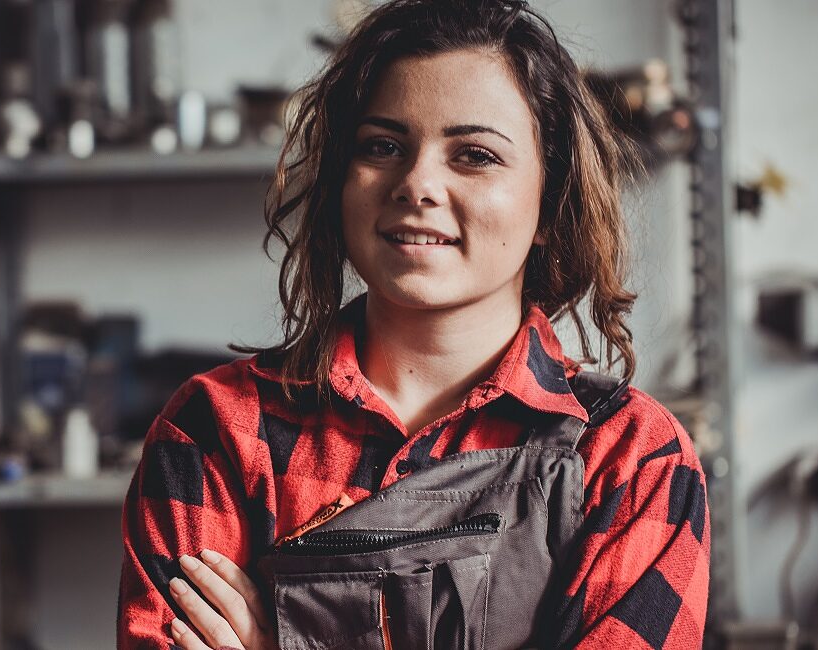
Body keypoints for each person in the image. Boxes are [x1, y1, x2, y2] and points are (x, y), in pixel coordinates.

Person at [117, 0, 710, 648]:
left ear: (548, 203)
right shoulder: (217, 433)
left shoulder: (631, 460)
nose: (417, 183)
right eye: (383, 146)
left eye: (475, 154)